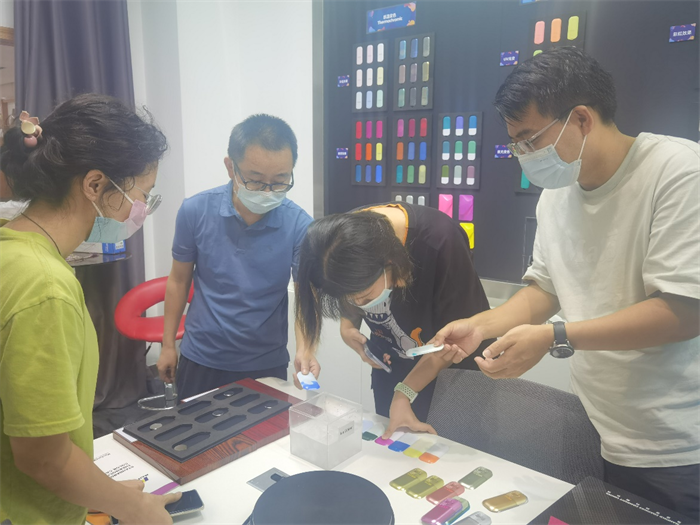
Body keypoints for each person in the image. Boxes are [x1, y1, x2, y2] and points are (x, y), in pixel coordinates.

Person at [392, 48, 700, 520]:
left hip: (677, 445)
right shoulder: (557, 196)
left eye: (529, 139)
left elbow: (683, 311)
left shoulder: (678, 173)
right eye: (515, 143)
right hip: (600, 427)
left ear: (581, 119)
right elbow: (545, 290)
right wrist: (481, 325)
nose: (523, 155)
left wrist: (555, 337)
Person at [0, 94, 181, 524]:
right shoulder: (45, 287)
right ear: (96, 185)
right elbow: (44, 458)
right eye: (141, 194)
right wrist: (135, 508)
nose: (140, 210)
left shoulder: (12, 248)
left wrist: (99, 491)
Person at [158, 114, 316, 400]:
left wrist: (306, 349)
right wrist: (168, 344)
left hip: (265, 362)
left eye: (280, 181)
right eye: (255, 181)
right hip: (202, 357)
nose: (268, 191)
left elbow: (306, 296)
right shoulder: (195, 211)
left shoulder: (299, 225)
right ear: (230, 167)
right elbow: (179, 281)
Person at [295, 202, 492, 425]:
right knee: (392, 442)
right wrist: (346, 326)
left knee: (445, 443)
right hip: (393, 369)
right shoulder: (337, 241)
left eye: (366, 297)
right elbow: (333, 293)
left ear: (391, 263)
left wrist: (404, 393)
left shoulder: (441, 240)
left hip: (455, 376)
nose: (360, 305)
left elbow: (452, 342)